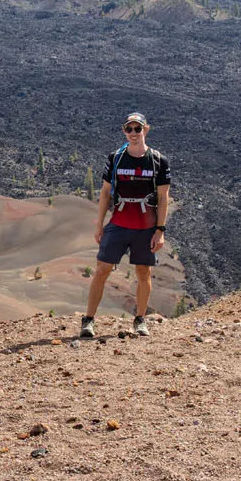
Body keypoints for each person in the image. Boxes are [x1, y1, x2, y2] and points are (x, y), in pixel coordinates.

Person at [81, 112, 170, 338]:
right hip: (119, 223)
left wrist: (160, 231)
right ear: (124, 131)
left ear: (145, 130)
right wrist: (99, 224)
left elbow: (163, 198)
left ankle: (140, 320)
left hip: (145, 226)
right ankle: (88, 321)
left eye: (137, 129)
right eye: (129, 129)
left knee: (143, 272)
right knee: (102, 270)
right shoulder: (116, 158)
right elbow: (104, 193)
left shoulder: (158, 160)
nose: (133, 133)